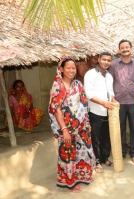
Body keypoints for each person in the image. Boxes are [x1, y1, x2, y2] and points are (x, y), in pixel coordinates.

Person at [48, 58, 95, 193]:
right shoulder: (57, 87)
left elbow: (84, 105)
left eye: (73, 68)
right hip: (66, 127)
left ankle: (83, 175)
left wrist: (87, 123)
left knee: (84, 151)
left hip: (82, 126)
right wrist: (64, 130)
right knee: (68, 154)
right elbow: (56, 110)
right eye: (68, 68)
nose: (71, 71)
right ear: (61, 69)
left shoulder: (78, 85)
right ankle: (70, 182)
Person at [109, 39, 134, 163]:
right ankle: (122, 152)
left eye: (127, 47)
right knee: (120, 128)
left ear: (131, 49)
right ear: (119, 50)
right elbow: (109, 82)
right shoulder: (113, 65)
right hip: (119, 102)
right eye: (122, 48)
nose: (125, 49)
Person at [84, 52, 116, 173]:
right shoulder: (90, 74)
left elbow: (111, 91)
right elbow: (88, 94)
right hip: (95, 111)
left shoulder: (109, 76)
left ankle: (105, 158)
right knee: (95, 138)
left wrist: (113, 99)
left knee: (106, 137)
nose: (106, 62)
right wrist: (103, 103)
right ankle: (97, 161)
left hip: (108, 111)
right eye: (104, 60)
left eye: (109, 60)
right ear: (98, 60)